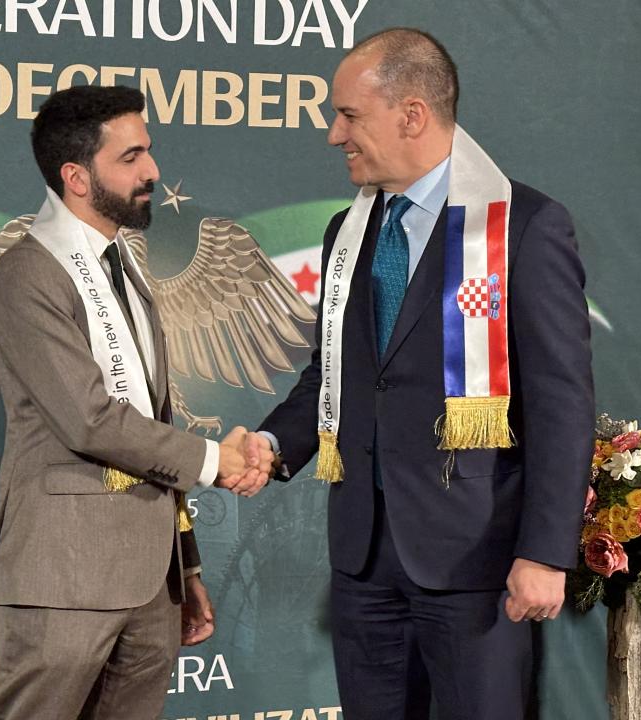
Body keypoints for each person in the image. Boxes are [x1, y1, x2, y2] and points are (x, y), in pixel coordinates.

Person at [254, 28, 594, 719]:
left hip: (476, 561)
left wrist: (545, 553)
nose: (334, 135)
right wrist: (271, 444)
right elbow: (334, 375)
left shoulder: (521, 227)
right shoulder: (347, 232)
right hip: (364, 559)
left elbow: (561, 401)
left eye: (349, 115)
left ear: (412, 115)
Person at [0, 85, 273, 720]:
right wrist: (216, 460)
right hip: (64, 578)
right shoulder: (28, 273)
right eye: (131, 157)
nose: (152, 171)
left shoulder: (125, 271)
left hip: (152, 583)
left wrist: (185, 569)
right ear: (77, 177)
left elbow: (151, 420)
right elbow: (89, 420)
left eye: (148, 152)